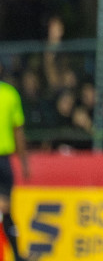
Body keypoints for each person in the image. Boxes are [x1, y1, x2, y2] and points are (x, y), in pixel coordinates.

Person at [0, 71, 29, 261]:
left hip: (3, 160)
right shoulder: (10, 94)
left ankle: (17, 255)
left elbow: (18, 130)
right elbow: (18, 131)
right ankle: (18, 255)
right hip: (3, 162)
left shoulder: (10, 94)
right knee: (5, 210)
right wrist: (24, 162)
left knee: (4, 210)